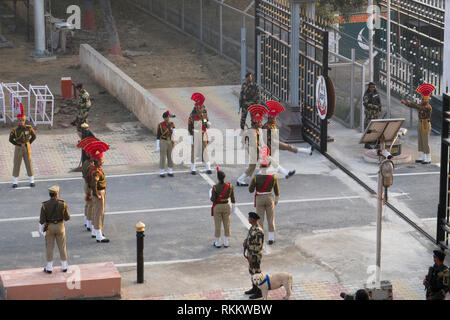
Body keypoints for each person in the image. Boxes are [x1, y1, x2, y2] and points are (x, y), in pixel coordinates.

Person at [249, 147, 280, 245]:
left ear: (260, 166)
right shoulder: (273, 177)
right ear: (268, 166)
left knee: (260, 219)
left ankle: (260, 238)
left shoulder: (256, 177)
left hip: (260, 199)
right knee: (270, 218)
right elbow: (276, 190)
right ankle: (271, 238)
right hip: (269, 197)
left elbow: (250, 190)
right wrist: (276, 199)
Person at [39, 185, 70, 274]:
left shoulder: (44, 205)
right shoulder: (62, 204)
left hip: (50, 227)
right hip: (60, 226)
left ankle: (49, 268)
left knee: (49, 247)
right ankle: (64, 266)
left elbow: (42, 220)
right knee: (62, 246)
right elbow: (67, 218)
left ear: (50, 194)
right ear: (57, 194)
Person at [401, 83, 435, 164]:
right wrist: (406, 103)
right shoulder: (421, 105)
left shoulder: (428, 107)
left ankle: (428, 157)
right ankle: (422, 156)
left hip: (425, 124)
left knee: (425, 141)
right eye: (422, 99)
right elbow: (415, 106)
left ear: (427, 100)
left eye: (423, 99)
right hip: (420, 123)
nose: (422, 100)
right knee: (420, 140)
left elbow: (418, 107)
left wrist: (410, 103)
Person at [84, 141, 110, 243]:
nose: (102, 162)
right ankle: (99, 235)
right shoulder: (96, 171)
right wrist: (96, 194)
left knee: (96, 212)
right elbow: (94, 183)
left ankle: (95, 231)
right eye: (101, 160)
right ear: (97, 161)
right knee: (99, 213)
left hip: (99, 192)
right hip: (99, 192)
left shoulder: (96, 169)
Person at [9, 103, 36, 188]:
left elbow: (34, 136)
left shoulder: (29, 128)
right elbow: (10, 139)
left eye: (22, 120)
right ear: (18, 121)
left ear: (24, 120)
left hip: (26, 147)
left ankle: (32, 180)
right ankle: (15, 182)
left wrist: (28, 143)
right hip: (18, 147)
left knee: (28, 163)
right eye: (20, 121)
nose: (21, 122)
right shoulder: (15, 130)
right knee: (17, 163)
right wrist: (16, 144)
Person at [77, 136, 99, 234]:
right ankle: (90, 225)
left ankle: (87, 222)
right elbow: (91, 178)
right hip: (90, 185)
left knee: (88, 204)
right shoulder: (91, 166)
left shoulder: (85, 163)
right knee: (92, 206)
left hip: (86, 184)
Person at [210, 168, 236, 248]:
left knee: (218, 225)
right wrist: (233, 208)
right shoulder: (230, 186)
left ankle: (217, 242)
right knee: (227, 224)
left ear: (218, 178)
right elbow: (233, 198)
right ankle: (226, 242)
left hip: (217, 207)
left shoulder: (215, 187)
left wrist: (210, 194)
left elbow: (213, 199)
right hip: (226, 206)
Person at [188, 93, 212, 175]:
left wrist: (208, 124)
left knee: (204, 150)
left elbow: (206, 122)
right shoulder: (192, 117)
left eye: (201, 108)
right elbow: (190, 127)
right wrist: (191, 137)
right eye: (199, 108)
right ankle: (193, 168)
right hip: (195, 134)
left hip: (203, 134)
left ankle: (208, 167)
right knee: (194, 151)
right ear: (196, 108)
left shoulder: (204, 115)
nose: (201, 110)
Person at [243, 211, 264, 300]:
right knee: (252, 272)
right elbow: (249, 238)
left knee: (257, 274)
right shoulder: (252, 228)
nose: (248, 219)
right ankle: (254, 288)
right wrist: (245, 242)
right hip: (250, 254)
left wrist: (252, 257)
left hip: (255, 256)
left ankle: (259, 292)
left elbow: (258, 246)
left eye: (249, 218)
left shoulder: (258, 231)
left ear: (253, 219)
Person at [156, 110, 176, 177]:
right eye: (166, 117)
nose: (167, 118)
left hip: (169, 141)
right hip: (163, 141)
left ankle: (170, 170)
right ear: (164, 118)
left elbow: (173, 133)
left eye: (168, 117)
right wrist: (158, 145)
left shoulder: (172, 124)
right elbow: (158, 136)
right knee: (163, 157)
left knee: (170, 156)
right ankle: (161, 171)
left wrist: (174, 132)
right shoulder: (160, 125)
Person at [363, 82, 382, 149]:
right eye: (371, 87)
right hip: (369, 115)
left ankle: (375, 142)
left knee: (375, 129)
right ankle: (367, 143)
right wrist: (373, 106)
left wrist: (379, 108)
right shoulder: (367, 95)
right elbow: (365, 103)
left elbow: (379, 102)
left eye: (373, 87)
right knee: (368, 128)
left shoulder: (376, 94)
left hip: (375, 115)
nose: (372, 88)